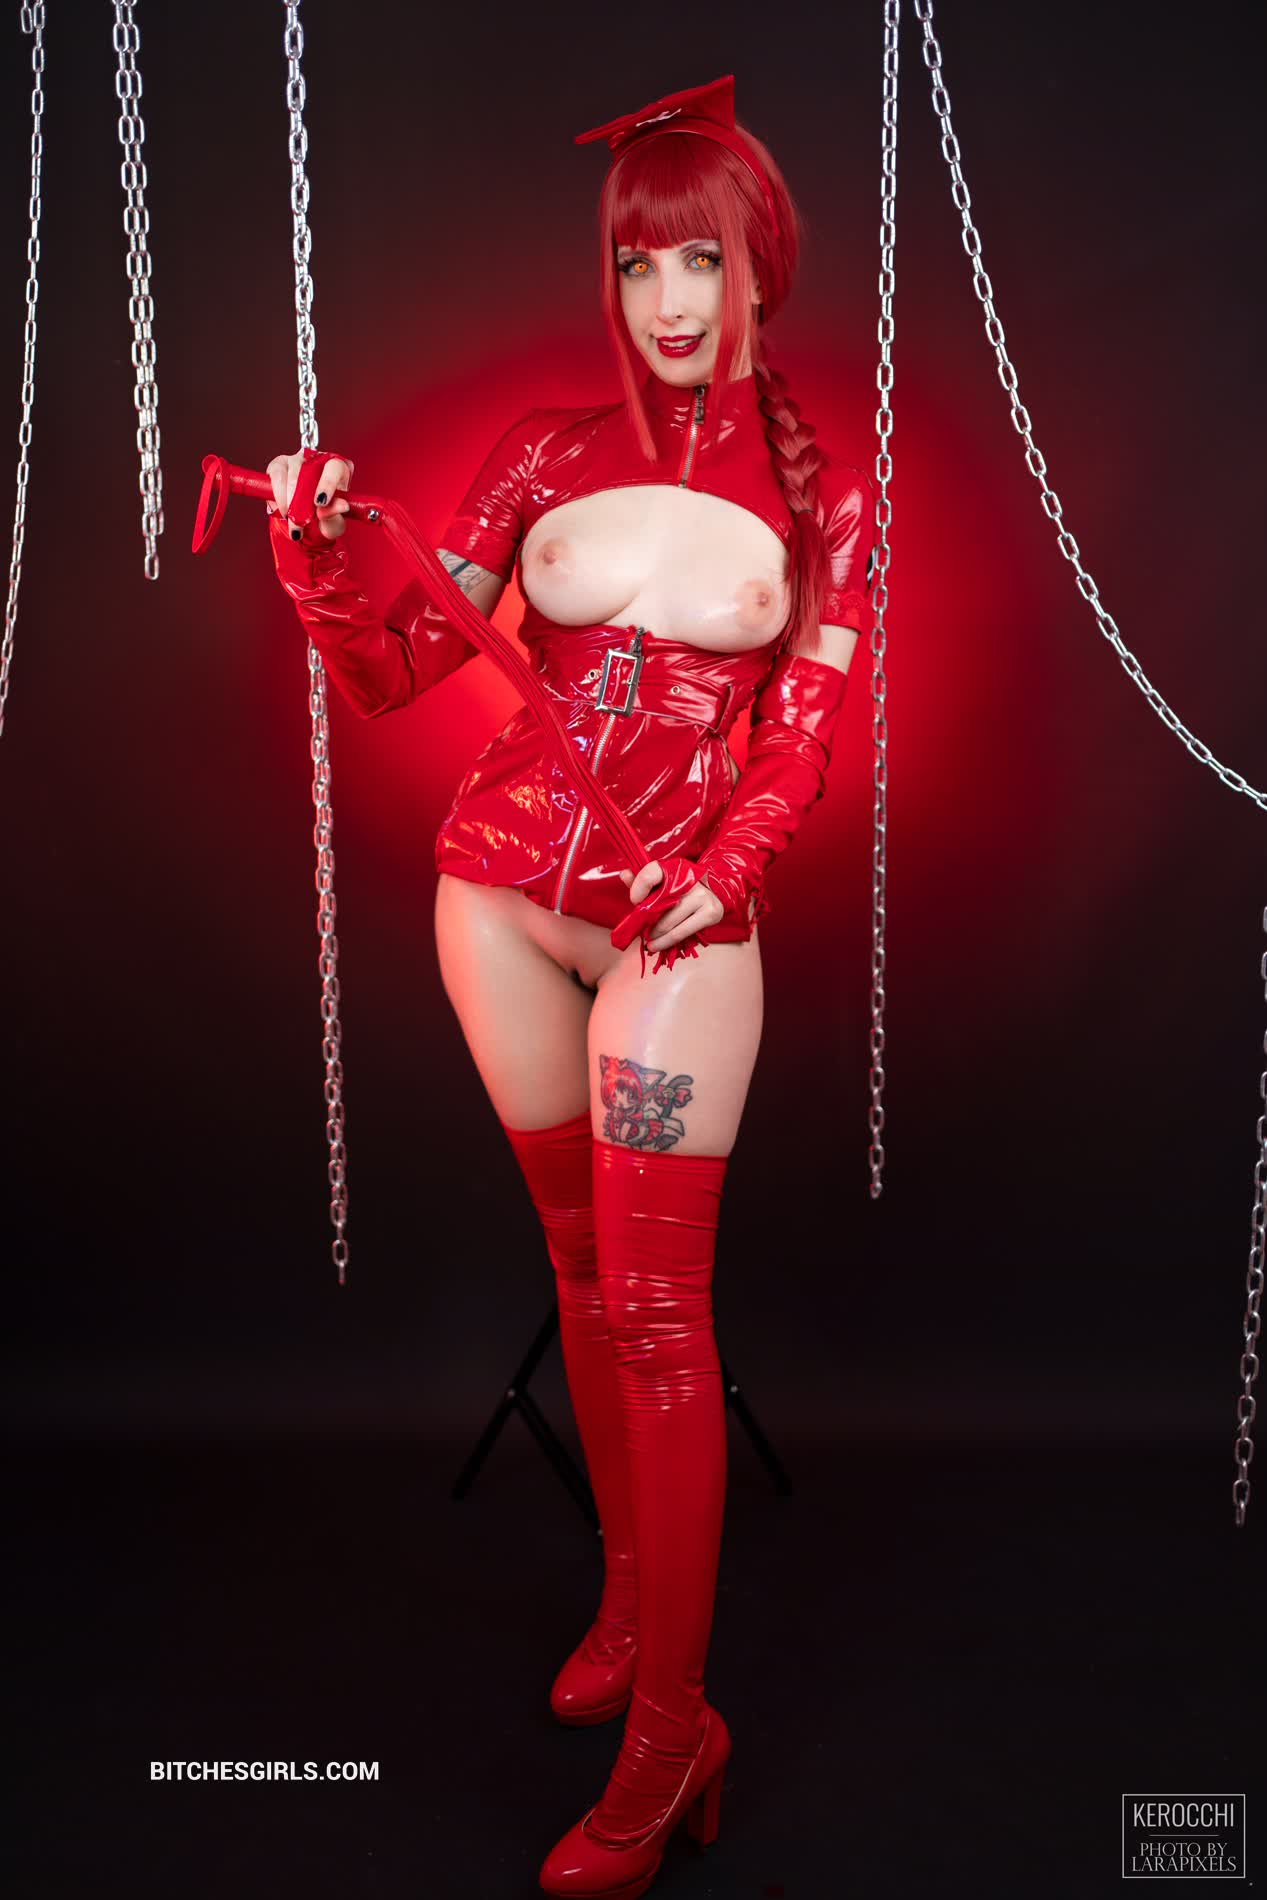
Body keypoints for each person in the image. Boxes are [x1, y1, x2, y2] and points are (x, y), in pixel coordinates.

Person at [264, 73, 875, 1900]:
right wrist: (315, 557)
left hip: (674, 931)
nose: (669, 301)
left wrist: (722, 874)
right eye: (636, 266)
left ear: (759, 264)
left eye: (702, 260)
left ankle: (678, 1733)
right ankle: (623, 1606)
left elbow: (807, 730)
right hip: (497, 900)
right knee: (584, 1278)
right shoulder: (538, 453)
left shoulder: (830, 486)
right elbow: (396, 670)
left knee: (663, 1315)